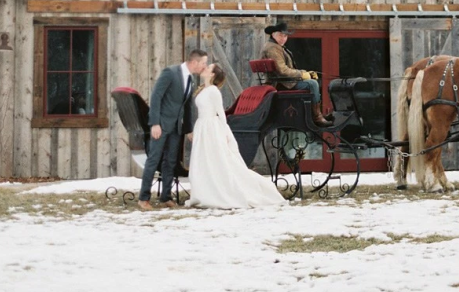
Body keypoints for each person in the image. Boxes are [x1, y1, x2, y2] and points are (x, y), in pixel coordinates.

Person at [186, 66, 285, 209]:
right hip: (202, 126)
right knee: (203, 159)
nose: (204, 69)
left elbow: (220, 113)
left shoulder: (213, 91)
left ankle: (222, 192)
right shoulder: (204, 89)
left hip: (211, 128)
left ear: (212, 74)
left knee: (215, 159)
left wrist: (225, 133)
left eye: (208, 68)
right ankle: (204, 190)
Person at [137, 49, 209, 210]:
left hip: (176, 127)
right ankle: (143, 198)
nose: (204, 66)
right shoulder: (170, 72)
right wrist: (155, 123)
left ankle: (166, 197)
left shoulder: (190, 78)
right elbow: (156, 96)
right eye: (203, 63)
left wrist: (188, 129)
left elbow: (188, 105)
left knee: (170, 161)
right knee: (153, 159)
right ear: (194, 62)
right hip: (161, 125)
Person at [260, 22, 332, 127]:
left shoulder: (276, 46)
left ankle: (316, 114)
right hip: (281, 84)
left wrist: (305, 73)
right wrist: (301, 74)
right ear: (273, 34)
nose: (283, 38)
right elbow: (282, 70)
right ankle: (317, 117)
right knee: (313, 84)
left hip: (282, 81)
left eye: (285, 36)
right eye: (280, 35)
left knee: (311, 81)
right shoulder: (273, 48)